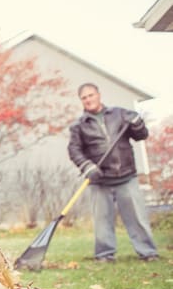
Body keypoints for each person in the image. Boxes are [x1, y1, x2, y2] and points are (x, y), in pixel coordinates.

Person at [67, 83, 159, 262]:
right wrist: (87, 166)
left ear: (99, 94)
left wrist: (138, 124)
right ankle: (104, 254)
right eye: (84, 97)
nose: (88, 99)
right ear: (81, 101)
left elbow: (141, 135)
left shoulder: (120, 114)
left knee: (137, 218)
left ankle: (148, 252)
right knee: (102, 221)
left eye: (91, 95)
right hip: (99, 180)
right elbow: (74, 150)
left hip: (126, 175)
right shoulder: (79, 125)